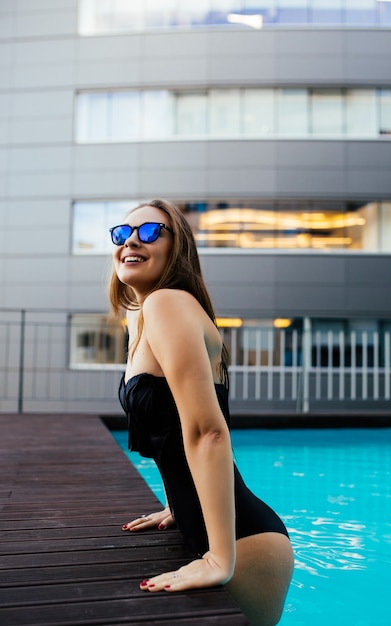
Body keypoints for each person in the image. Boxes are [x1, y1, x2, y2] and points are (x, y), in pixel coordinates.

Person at [109, 199, 294, 626]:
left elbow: (209, 433)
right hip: (208, 530)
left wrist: (218, 559)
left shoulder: (166, 304)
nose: (132, 240)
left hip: (244, 543)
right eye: (122, 233)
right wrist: (179, 501)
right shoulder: (143, 317)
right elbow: (170, 431)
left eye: (151, 232)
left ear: (178, 248)